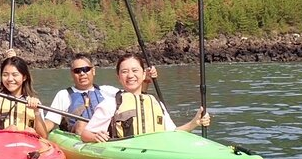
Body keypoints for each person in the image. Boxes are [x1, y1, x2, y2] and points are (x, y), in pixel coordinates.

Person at [81, 53, 210, 143]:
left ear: (143, 75)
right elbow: (85, 135)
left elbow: (172, 132)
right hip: (127, 154)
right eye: (124, 72)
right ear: (119, 77)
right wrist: (95, 137)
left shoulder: (155, 103)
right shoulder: (111, 103)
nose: (130, 75)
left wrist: (194, 123)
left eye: (135, 70)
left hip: (156, 150)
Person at [44, 53, 157, 135]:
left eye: (86, 69)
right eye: (77, 71)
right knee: (82, 124)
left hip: (106, 135)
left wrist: (145, 80)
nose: (82, 73)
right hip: (78, 137)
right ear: (72, 74)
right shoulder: (64, 95)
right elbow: (49, 123)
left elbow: (135, 98)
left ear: (93, 71)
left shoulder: (108, 91)